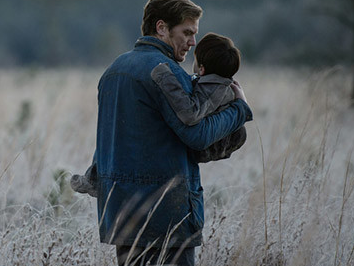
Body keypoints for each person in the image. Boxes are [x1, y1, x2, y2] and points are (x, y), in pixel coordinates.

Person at [89, 0, 253, 266]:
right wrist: (239, 110)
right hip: (167, 211)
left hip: (120, 210)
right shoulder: (166, 73)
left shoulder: (113, 70)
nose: (193, 43)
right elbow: (195, 134)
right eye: (186, 33)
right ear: (161, 28)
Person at [71, 31, 248, 196]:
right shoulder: (212, 83)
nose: (191, 42)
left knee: (124, 133)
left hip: (209, 144)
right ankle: (94, 175)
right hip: (204, 144)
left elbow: (191, 114)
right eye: (187, 32)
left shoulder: (215, 88)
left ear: (201, 68)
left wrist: (165, 77)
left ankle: (94, 176)